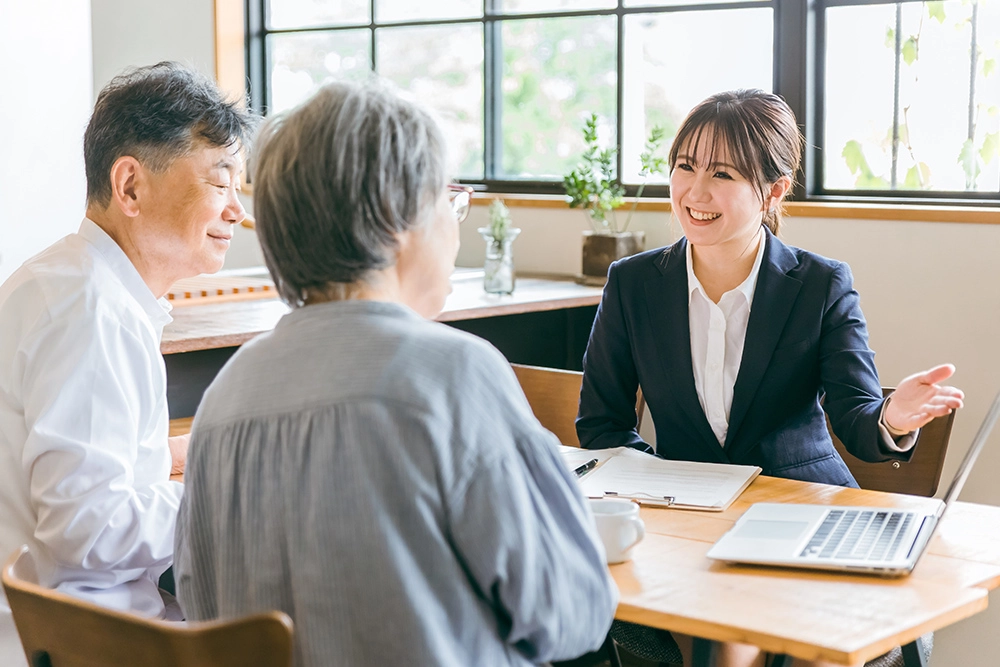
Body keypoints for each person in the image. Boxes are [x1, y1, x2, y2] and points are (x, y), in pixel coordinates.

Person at [173, 80, 617, 667]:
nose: (455, 228)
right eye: (449, 202)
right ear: (395, 217)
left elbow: (198, 603)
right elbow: (570, 612)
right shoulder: (453, 372)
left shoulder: (227, 394)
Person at [576, 89, 963, 667]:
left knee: (758, 639)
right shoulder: (632, 284)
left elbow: (857, 419)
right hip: (687, 524)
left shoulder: (821, 284)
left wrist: (893, 418)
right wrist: (665, 482)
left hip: (802, 515)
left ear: (774, 191)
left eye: (723, 173)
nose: (695, 192)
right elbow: (601, 423)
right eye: (685, 167)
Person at [0, 62, 254, 665]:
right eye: (221, 184)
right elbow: (88, 526)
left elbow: (56, 463)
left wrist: (178, 455)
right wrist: (231, 492)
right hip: (82, 642)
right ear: (131, 186)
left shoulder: (59, 282)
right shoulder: (92, 312)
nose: (237, 211)